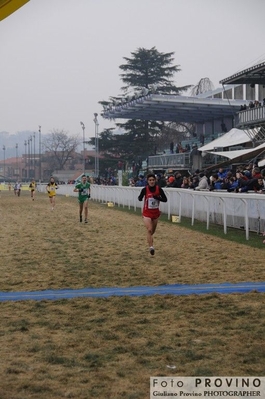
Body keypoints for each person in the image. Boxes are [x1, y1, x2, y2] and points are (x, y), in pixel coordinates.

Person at [138, 173, 167, 256]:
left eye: (153, 180)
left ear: (155, 180)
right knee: (149, 230)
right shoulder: (145, 189)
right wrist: (140, 198)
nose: (152, 181)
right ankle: (151, 247)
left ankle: (149, 240)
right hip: (147, 213)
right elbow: (140, 198)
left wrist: (157, 197)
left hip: (156, 213)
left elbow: (165, 199)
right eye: (150, 180)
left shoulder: (159, 189)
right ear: (147, 181)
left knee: (152, 232)